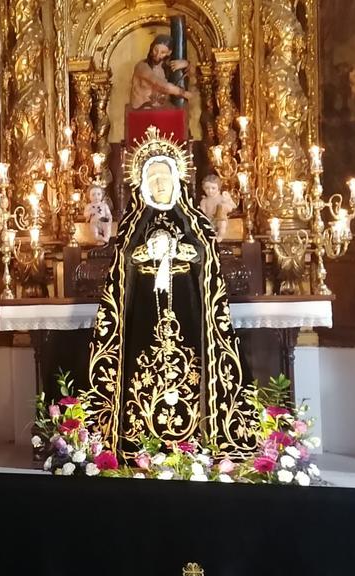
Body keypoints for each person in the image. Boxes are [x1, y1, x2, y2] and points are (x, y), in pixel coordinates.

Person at [83, 132, 255, 458]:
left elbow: (206, 259)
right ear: (144, 184)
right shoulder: (134, 223)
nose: (160, 184)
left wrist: (180, 250)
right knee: (140, 374)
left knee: (193, 373)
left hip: (189, 314)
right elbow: (123, 267)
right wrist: (146, 253)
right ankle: (139, 442)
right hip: (143, 314)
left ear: (176, 179)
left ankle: (196, 442)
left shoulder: (194, 222)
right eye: (153, 178)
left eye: (165, 177)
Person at [129, 35, 192, 110]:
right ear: (151, 47)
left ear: (169, 52)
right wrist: (183, 93)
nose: (157, 55)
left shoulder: (165, 65)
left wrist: (186, 63)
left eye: (163, 52)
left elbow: (194, 73)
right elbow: (160, 85)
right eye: (156, 50)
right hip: (141, 111)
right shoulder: (142, 66)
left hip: (159, 110)